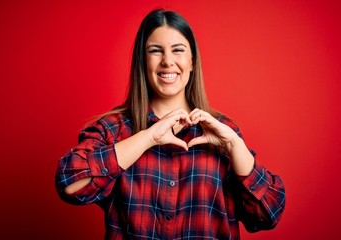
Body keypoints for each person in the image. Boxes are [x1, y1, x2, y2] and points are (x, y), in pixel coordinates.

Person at [55, 9, 285, 239]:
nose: (167, 61)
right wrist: (148, 137)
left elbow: (269, 214)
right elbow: (70, 185)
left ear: (192, 61)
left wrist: (235, 145)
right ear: (142, 61)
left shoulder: (223, 132)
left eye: (178, 50)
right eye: (155, 51)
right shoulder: (113, 129)